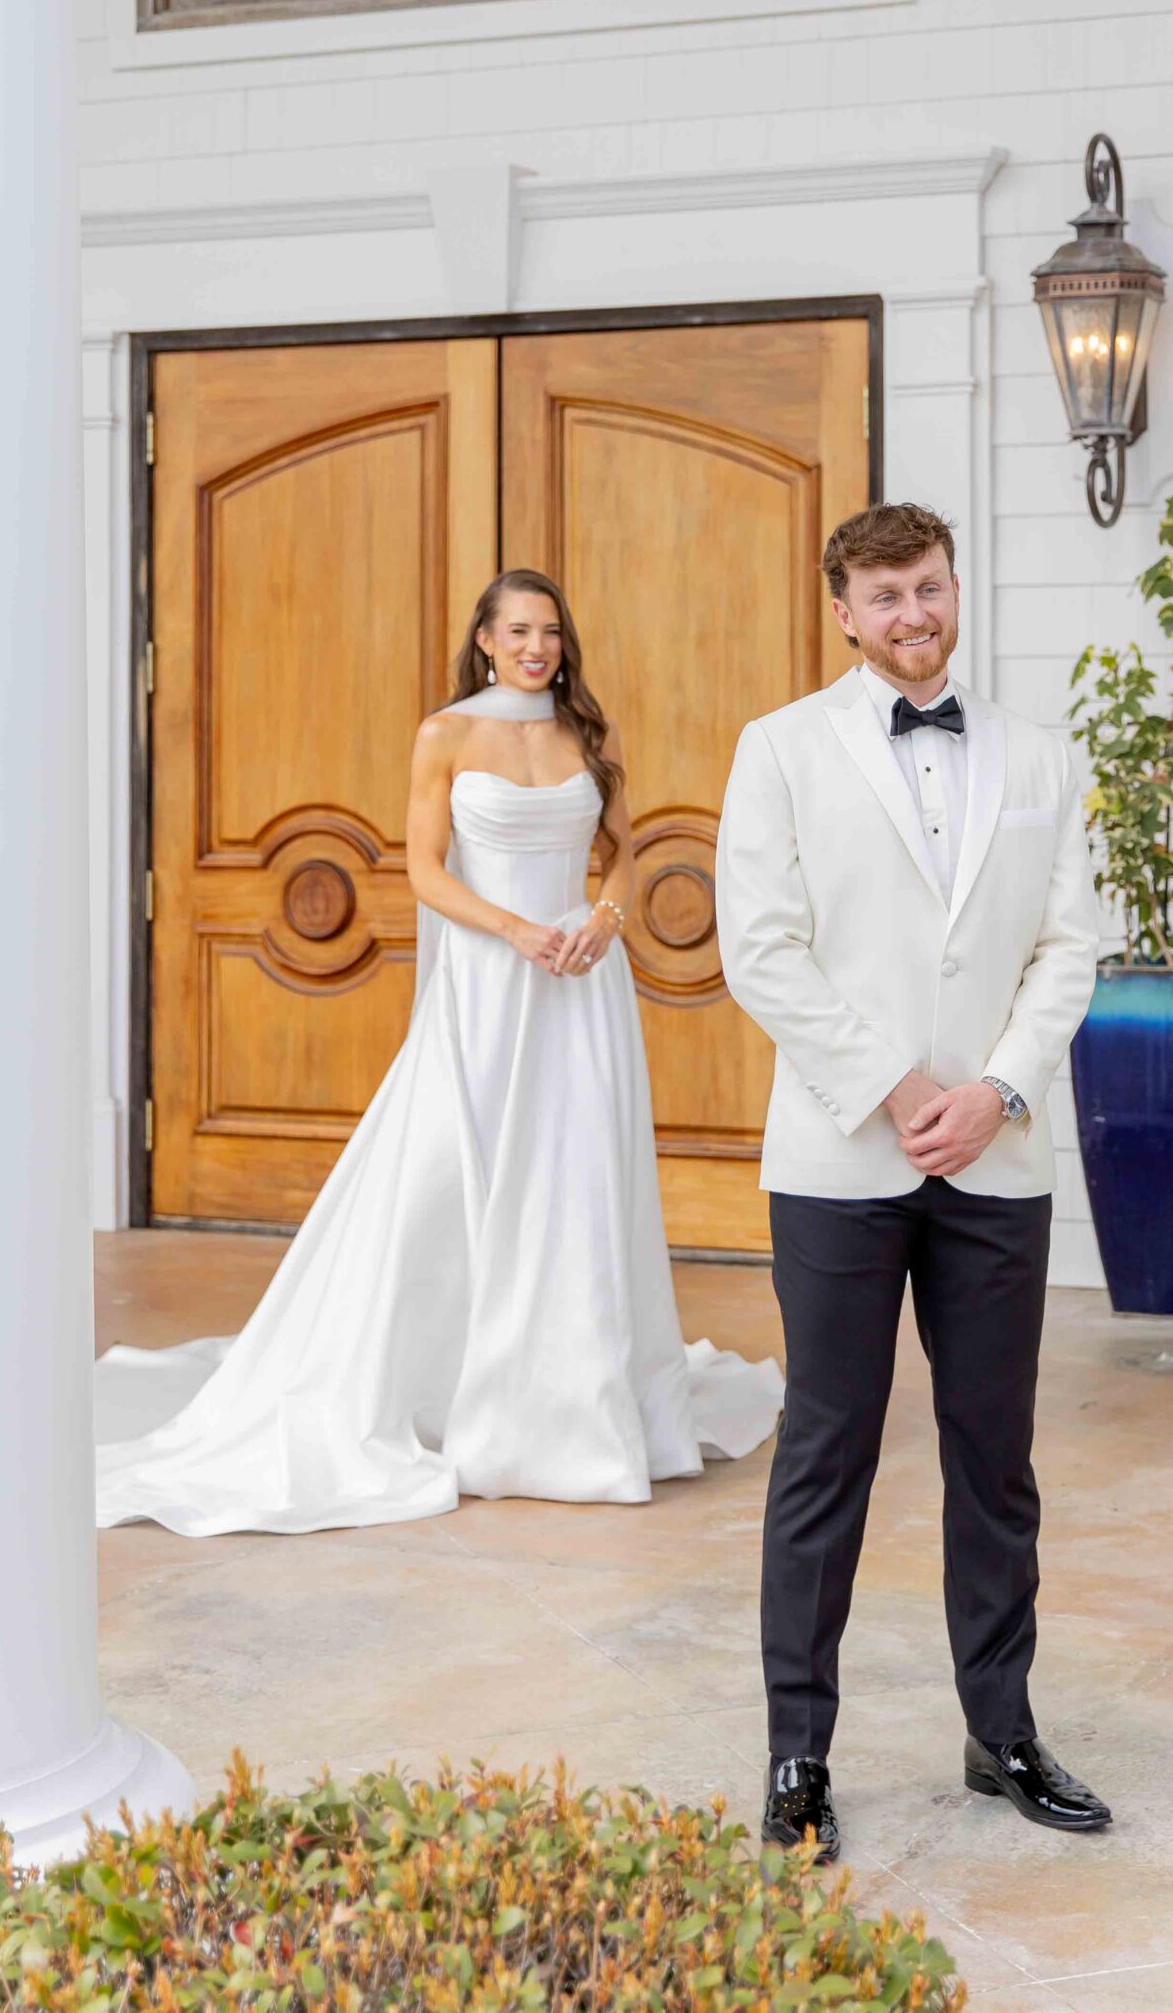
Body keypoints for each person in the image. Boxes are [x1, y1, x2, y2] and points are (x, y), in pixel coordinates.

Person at [96, 568, 782, 1536]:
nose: (537, 647)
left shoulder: (590, 731)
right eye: (518, 631)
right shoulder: (445, 735)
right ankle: (450, 1375)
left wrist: (604, 918)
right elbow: (422, 868)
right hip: (491, 981)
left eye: (550, 631)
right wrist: (515, 929)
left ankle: (572, 1398)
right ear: (486, 639)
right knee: (453, 1167)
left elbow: (622, 853)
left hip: (582, 985)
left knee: (575, 1173)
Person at [715, 501, 1107, 1862]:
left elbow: (1067, 947)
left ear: (953, 587)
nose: (911, 615)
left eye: (927, 587)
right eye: (883, 597)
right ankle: (796, 1756)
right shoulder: (777, 749)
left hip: (996, 1155)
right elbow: (761, 948)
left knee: (993, 1458)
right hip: (839, 1154)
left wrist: (996, 1090)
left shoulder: (1039, 755)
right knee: (825, 1452)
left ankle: (1001, 1732)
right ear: (843, 612)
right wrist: (893, 1089)